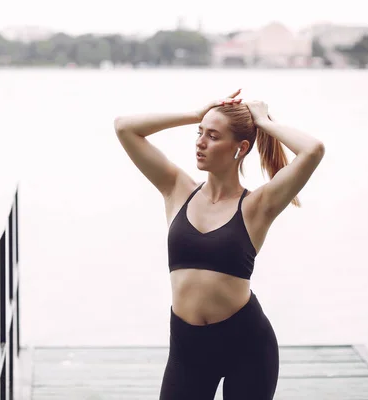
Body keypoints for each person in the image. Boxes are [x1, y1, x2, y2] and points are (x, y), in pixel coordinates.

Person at [113, 89, 325, 400]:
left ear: (240, 148)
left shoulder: (258, 205)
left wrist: (263, 121)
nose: (200, 142)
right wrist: (197, 113)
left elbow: (313, 150)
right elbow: (124, 127)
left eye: (213, 136)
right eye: (199, 133)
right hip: (187, 348)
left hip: (247, 346)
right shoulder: (176, 188)